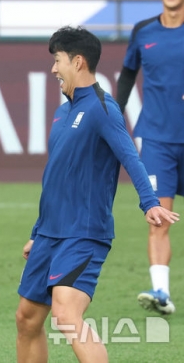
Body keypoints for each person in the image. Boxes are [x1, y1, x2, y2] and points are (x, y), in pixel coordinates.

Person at [16, 26, 179, 363]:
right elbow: (57, 179)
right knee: (27, 319)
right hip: (49, 234)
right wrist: (37, 233)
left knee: (66, 315)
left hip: (83, 234)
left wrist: (149, 202)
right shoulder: (62, 113)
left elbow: (130, 156)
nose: (53, 69)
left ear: (78, 62)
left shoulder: (103, 108)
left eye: (57, 61)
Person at [116, 0, 184, 315]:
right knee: (158, 219)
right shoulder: (143, 31)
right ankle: (161, 293)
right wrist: (115, 116)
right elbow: (128, 73)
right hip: (156, 139)